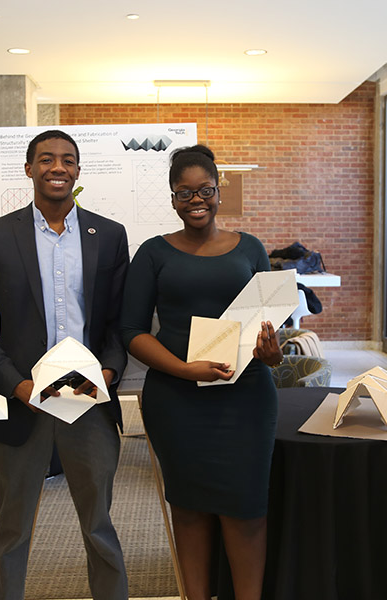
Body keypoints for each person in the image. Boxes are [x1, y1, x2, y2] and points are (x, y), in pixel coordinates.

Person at [0, 130, 130, 600]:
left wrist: (108, 374)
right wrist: (16, 385)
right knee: (13, 526)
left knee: (99, 523)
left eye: (68, 160)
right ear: (30, 169)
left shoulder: (109, 235)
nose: (58, 167)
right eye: (47, 159)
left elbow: (119, 323)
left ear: (78, 171)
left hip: (89, 400)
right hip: (24, 400)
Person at [121, 145, 283, 600]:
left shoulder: (250, 247)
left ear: (218, 192)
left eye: (205, 190)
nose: (197, 200)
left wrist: (271, 355)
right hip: (177, 401)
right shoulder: (153, 254)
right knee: (189, 509)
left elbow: (266, 327)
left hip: (246, 398)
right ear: (172, 198)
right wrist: (185, 369)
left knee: (247, 509)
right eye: (184, 192)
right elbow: (130, 330)